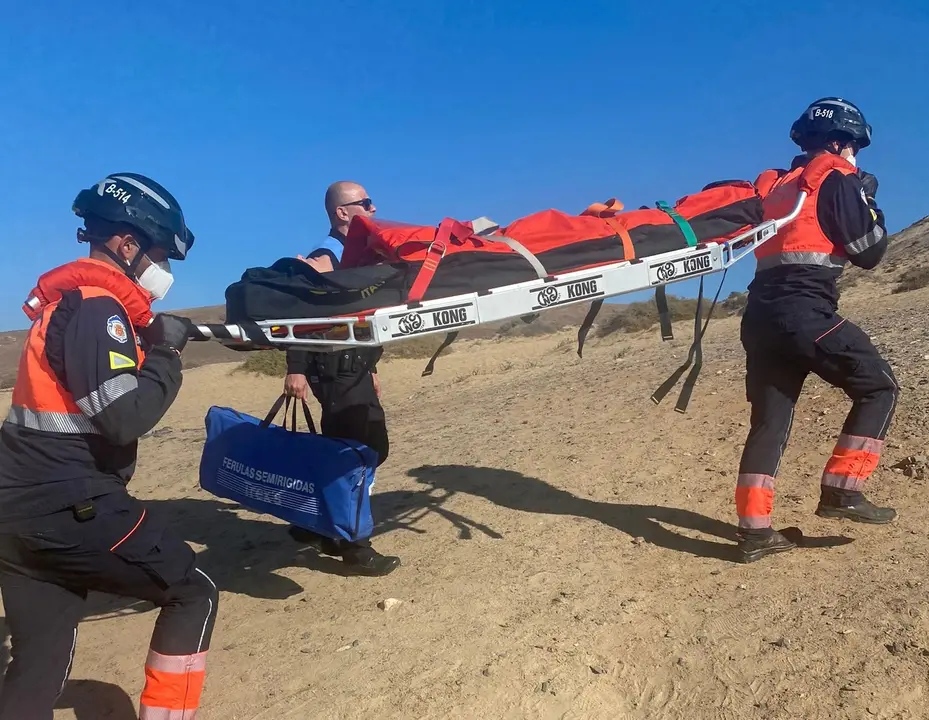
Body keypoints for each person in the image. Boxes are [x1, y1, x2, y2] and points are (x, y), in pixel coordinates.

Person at [0, 173, 218, 718]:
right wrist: (167, 355)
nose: (163, 268)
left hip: (16, 508)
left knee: (41, 656)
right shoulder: (99, 306)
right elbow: (124, 417)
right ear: (127, 243)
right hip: (70, 502)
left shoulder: (68, 304)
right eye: (160, 253)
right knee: (193, 593)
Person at [734, 97, 899, 563]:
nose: (857, 158)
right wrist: (869, 202)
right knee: (878, 388)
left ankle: (755, 533)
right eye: (856, 148)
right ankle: (842, 492)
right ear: (840, 142)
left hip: (759, 319)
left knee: (769, 422)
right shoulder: (836, 177)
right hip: (806, 313)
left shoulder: (778, 186)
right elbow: (868, 252)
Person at [283, 180, 401, 577]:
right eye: (365, 203)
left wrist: (372, 366)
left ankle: (319, 526)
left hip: (354, 366)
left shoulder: (356, 256)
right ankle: (354, 547)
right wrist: (296, 367)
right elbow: (302, 315)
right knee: (360, 453)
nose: (373, 207)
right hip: (335, 369)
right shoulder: (328, 256)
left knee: (363, 449)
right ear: (342, 212)